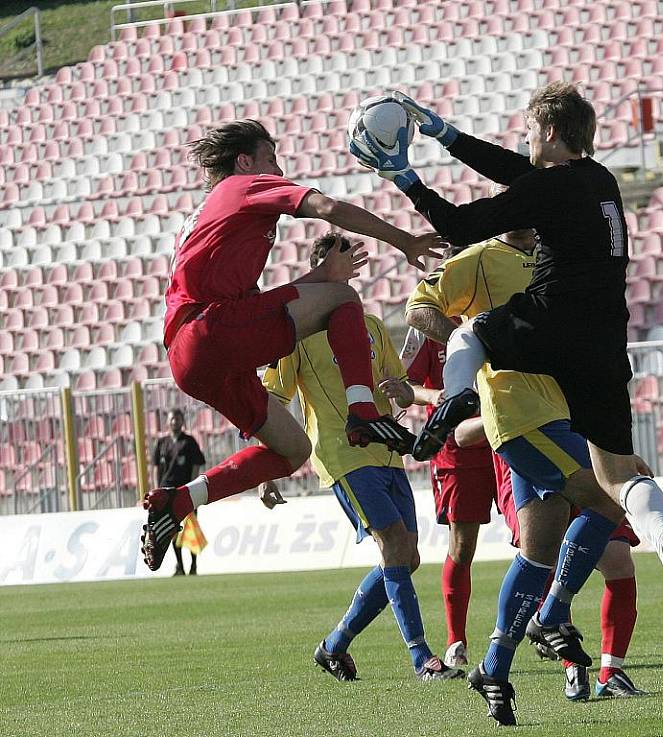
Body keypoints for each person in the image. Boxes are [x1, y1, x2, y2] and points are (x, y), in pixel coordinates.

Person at [351, 86, 663, 656]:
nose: (523, 140)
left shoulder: (548, 189)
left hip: (552, 322)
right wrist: (442, 132)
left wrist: (404, 175)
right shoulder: (600, 181)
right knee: (618, 474)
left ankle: (454, 400)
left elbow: (460, 224)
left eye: (527, 130)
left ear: (546, 133)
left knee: (470, 332)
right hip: (605, 341)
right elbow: (514, 170)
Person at [141, 119, 442, 572]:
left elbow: (256, 310)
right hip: (208, 330)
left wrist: (319, 280)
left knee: (291, 450)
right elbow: (327, 207)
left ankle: (178, 500)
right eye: (270, 158)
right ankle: (362, 414)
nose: (277, 168)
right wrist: (404, 240)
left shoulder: (210, 218)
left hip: (194, 356)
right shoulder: (244, 187)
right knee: (344, 299)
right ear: (245, 162)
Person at [395, 216, 643, 722]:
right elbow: (418, 309)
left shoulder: (559, 255)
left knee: (537, 551)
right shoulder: (480, 259)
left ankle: (494, 667)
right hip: (520, 415)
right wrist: (476, 343)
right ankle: (548, 617)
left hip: (560, 411)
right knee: (609, 498)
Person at [261, 232, 463, 682]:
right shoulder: (294, 334)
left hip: (386, 449)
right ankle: (421, 658)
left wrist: (403, 392)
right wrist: (267, 465)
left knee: (406, 557)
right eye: (343, 260)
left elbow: (396, 383)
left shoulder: (368, 325)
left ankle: (334, 645)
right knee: (392, 542)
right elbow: (274, 396)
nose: (352, 268)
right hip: (340, 451)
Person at [381, 321, 496, 668]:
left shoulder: (490, 303)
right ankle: (455, 639)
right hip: (455, 448)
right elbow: (404, 386)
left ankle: (547, 623)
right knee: (462, 546)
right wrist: (433, 396)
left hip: (510, 432)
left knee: (535, 531)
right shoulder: (427, 320)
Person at [150, 408, 207, 575]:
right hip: (167, 493)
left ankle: (194, 566)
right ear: (168, 422)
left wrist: (192, 488)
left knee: (191, 529)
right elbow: (156, 468)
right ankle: (180, 566)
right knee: (172, 531)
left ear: (183, 422)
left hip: (185, 491)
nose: (175, 422)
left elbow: (196, 465)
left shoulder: (189, 442)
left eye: (178, 419)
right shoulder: (161, 443)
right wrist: (156, 489)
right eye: (172, 419)